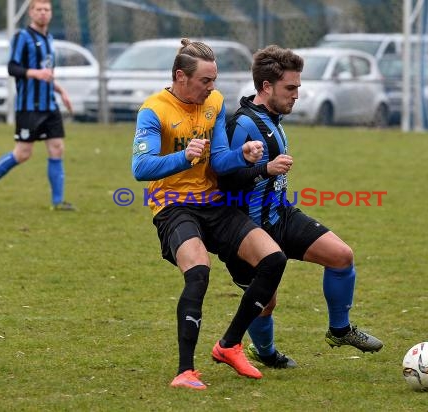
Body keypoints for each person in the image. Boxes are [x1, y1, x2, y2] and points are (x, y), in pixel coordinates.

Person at [131, 38, 287, 390]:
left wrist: (244, 156)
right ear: (180, 77)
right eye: (205, 80)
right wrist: (182, 158)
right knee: (199, 271)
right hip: (173, 206)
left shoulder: (213, 103)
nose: (212, 88)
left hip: (213, 203)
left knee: (273, 259)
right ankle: (185, 371)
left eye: (214, 80)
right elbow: (141, 167)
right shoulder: (153, 110)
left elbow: (218, 159)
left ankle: (229, 345)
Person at [218, 45, 383, 369]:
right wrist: (264, 170)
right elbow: (224, 180)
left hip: (280, 215)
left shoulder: (272, 118)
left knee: (341, 257)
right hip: (248, 230)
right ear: (266, 86)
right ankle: (264, 352)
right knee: (265, 303)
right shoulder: (243, 124)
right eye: (290, 88)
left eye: (298, 87)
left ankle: (340, 329)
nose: (297, 94)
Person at [0, 0, 75, 211]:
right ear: (31, 13)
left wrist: (61, 90)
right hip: (29, 107)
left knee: (57, 148)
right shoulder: (22, 37)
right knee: (23, 153)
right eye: (38, 9)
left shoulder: (49, 39)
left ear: (51, 13)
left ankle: (58, 202)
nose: (43, 13)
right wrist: (34, 73)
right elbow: (12, 67)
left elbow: (46, 74)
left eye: (46, 10)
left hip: (49, 105)